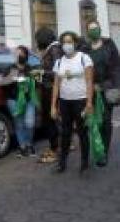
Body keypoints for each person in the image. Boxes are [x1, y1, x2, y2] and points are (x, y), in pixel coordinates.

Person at [50, 31, 94, 174]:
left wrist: (89, 103)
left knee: (82, 133)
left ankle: (85, 163)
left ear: (75, 43)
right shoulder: (59, 62)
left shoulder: (84, 58)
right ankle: (62, 163)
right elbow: (56, 85)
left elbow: (89, 81)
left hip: (81, 101)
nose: (66, 45)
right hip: (65, 102)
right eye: (64, 42)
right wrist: (53, 106)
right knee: (65, 133)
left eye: (69, 42)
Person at [80, 20, 120, 165]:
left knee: (106, 121)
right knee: (93, 121)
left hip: (107, 89)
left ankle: (104, 152)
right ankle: (97, 146)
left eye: (96, 28)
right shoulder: (84, 48)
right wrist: (90, 85)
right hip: (90, 90)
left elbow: (116, 67)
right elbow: (82, 69)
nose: (94, 31)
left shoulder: (109, 44)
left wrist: (115, 87)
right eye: (91, 29)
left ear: (100, 29)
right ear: (87, 32)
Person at [35, 28, 63, 164]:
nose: (37, 42)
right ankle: (55, 147)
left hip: (51, 90)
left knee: (52, 120)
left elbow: (58, 72)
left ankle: (56, 150)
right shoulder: (51, 49)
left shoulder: (54, 50)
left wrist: (41, 73)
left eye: (38, 39)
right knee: (51, 120)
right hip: (48, 89)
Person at [6, 45, 37, 157]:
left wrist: (29, 81)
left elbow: (37, 82)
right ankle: (22, 146)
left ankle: (29, 143)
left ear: (25, 55)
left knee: (30, 123)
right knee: (19, 124)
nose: (19, 55)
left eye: (21, 53)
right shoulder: (10, 68)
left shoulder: (30, 68)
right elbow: (4, 83)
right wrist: (13, 80)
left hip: (28, 99)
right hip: (13, 99)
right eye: (17, 53)